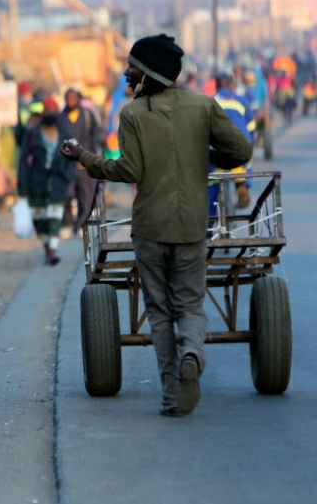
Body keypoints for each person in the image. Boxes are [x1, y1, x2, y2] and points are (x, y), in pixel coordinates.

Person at [61, 34, 252, 417]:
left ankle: (171, 394)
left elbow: (130, 171)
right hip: (191, 226)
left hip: (150, 229)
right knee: (190, 303)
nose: (126, 75)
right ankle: (193, 354)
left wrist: (85, 157)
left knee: (160, 312)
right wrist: (202, 151)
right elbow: (241, 151)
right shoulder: (202, 105)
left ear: (149, 73)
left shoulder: (133, 114)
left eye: (131, 69)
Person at [18, 113, 76, 265]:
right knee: (38, 220)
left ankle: (53, 250)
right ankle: (47, 247)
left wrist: (68, 176)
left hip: (58, 183)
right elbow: (23, 160)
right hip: (36, 184)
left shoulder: (65, 134)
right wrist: (22, 185)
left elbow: (72, 157)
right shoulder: (32, 134)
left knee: (55, 217)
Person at [59, 88, 103, 236]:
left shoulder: (87, 114)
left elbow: (96, 133)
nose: (70, 101)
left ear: (78, 99)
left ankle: (82, 223)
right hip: (67, 164)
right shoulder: (61, 117)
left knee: (85, 195)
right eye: (68, 99)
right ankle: (67, 223)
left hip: (84, 161)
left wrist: (91, 155)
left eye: (73, 98)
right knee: (67, 194)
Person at [211, 73, 256, 210]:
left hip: (219, 147)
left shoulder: (211, 100)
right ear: (232, 86)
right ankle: (243, 185)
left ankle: (211, 208)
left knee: (210, 170)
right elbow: (251, 127)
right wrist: (251, 143)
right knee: (247, 157)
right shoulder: (241, 100)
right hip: (240, 147)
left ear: (216, 86)